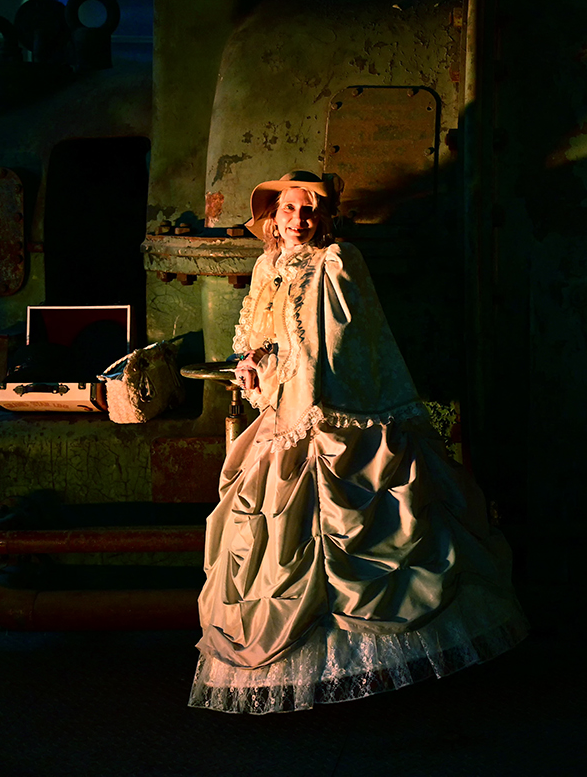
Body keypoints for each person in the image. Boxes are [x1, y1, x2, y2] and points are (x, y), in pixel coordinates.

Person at [189, 169, 527, 713]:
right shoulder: (265, 265)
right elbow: (262, 334)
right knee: (270, 530)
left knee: (364, 520)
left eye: (309, 210)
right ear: (272, 217)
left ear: (323, 218)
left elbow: (349, 342)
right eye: (289, 209)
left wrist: (316, 402)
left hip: (334, 408)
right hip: (283, 409)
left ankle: (380, 667)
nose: (298, 219)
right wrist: (252, 362)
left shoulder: (338, 259)